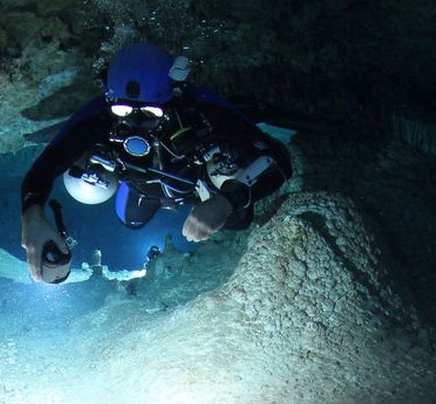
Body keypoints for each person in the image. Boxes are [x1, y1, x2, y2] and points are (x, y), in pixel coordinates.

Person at [21, 42, 293, 283]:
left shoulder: (201, 109)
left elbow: (278, 158)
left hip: (198, 182)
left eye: (150, 112)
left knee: (238, 220)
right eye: (123, 111)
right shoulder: (99, 116)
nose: (136, 121)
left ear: (173, 95)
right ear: (110, 98)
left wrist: (225, 202)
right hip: (140, 183)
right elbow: (46, 166)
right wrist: (32, 215)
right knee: (130, 222)